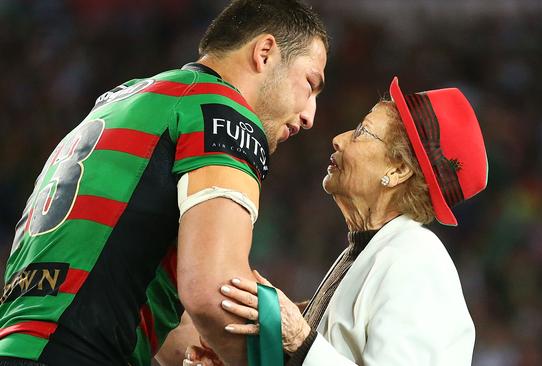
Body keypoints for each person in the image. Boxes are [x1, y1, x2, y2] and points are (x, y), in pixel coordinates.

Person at [0, 1, 327, 365]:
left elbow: (153, 312)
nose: (310, 115)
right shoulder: (221, 112)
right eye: (310, 84)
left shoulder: (124, 100)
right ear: (264, 53)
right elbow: (213, 291)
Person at [186, 77, 488, 365]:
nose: (339, 139)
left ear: (398, 171)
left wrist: (300, 338)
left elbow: (312, 351)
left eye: (362, 132)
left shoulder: (417, 261)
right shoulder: (369, 251)